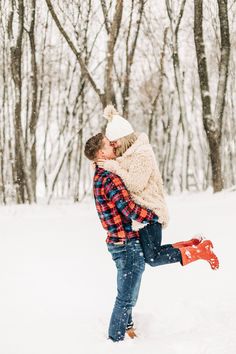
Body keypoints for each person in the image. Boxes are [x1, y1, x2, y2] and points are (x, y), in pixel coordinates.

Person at [84, 132, 219, 342]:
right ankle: (114, 340)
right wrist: (150, 215)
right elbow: (128, 208)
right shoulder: (108, 177)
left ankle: (127, 327)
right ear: (101, 152)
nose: (113, 145)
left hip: (120, 242)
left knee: (129, 290)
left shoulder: (100, 174)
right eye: (108, 145)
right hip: (126, 244)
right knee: (126, 297)